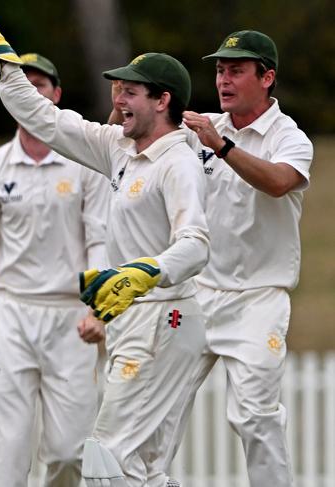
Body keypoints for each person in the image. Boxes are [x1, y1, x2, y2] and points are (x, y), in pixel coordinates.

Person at [0, 6, 210, 487]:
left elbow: (196, 245)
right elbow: (45, 119)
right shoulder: (118, 148)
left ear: (163, 100)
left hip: (164, 317)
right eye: (117, 88)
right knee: (145, 470)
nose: (117, 98)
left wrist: (146, 272)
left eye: (130, 91)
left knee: (106, 461)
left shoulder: (179, 162)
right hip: (137, 318)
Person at [0, 52, 109, 487]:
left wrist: (99, 309)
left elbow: (99, 240)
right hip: (11, 315)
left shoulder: (84, 164)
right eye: (25, 85)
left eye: (41, 85)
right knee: (8, 453)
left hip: (71, 317)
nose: (33, 93)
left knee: (70, 451)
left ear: (56, 95)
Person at [158, 30, 314, 487]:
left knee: (254, 417)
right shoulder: (201, 127)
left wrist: (221, 147)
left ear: (267, 77)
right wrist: (132, 97)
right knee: (159, 404)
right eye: (220, 70)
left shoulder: (290, 137)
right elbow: (133, 139)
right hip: (198, 293)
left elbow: (280, 182)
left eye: (237, 71)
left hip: (258, 299)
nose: (224, 80)